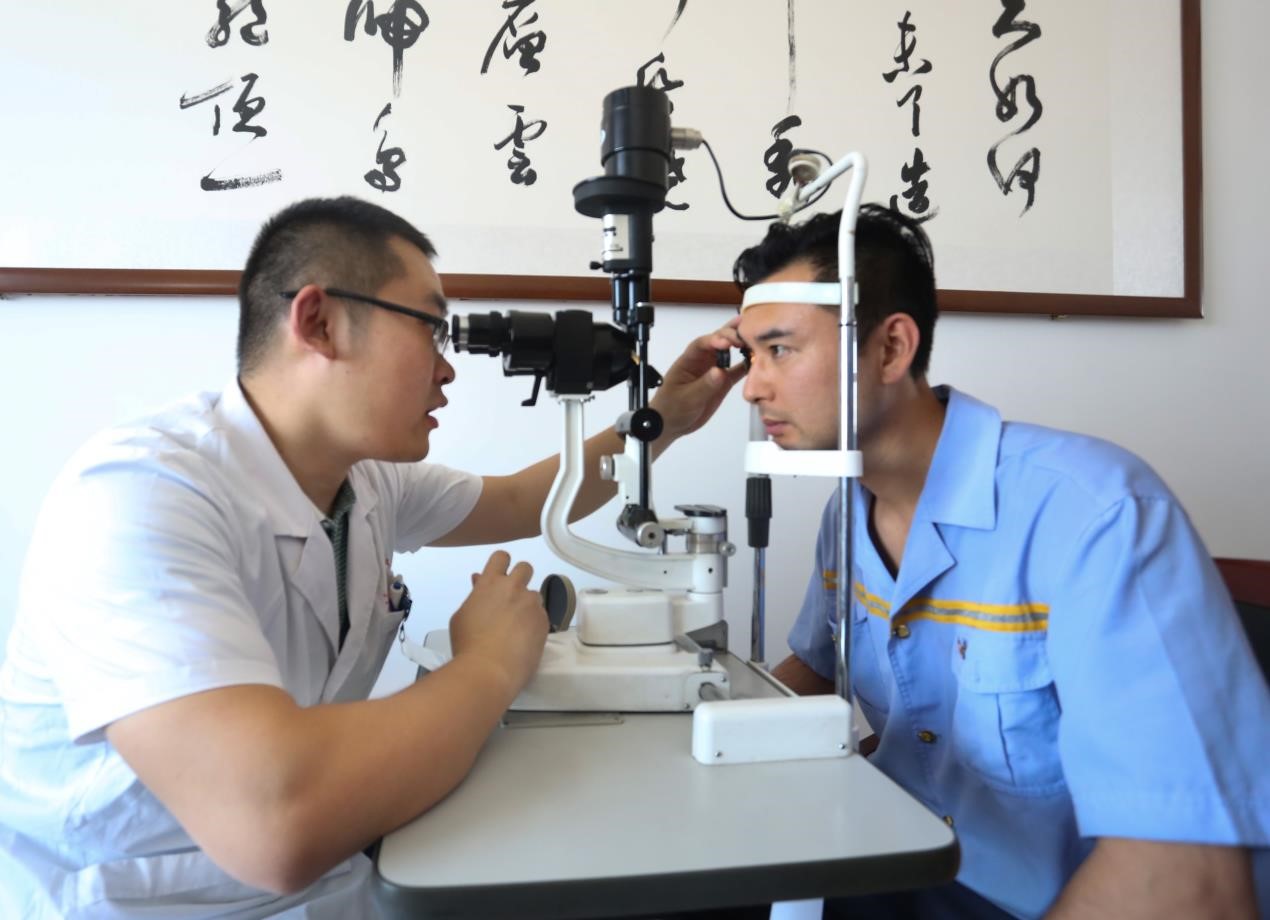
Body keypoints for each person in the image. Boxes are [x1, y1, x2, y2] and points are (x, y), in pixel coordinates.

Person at [0, 196, 745, 918]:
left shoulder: (365, 482)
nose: (448, 368)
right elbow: (273, 824)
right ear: (319, 322)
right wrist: (487, 662)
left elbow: (529, 500)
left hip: (336, 880)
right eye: (431, 329)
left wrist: (663, 420)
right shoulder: (139, 495)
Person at [724, 204, 1270, 919]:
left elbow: (1184, 877)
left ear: (890, 349)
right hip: (894, 858)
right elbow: (816, 671)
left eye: (780, 350)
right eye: (748, 355)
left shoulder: (1096, 514)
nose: (753, 386)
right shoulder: (847, 511)